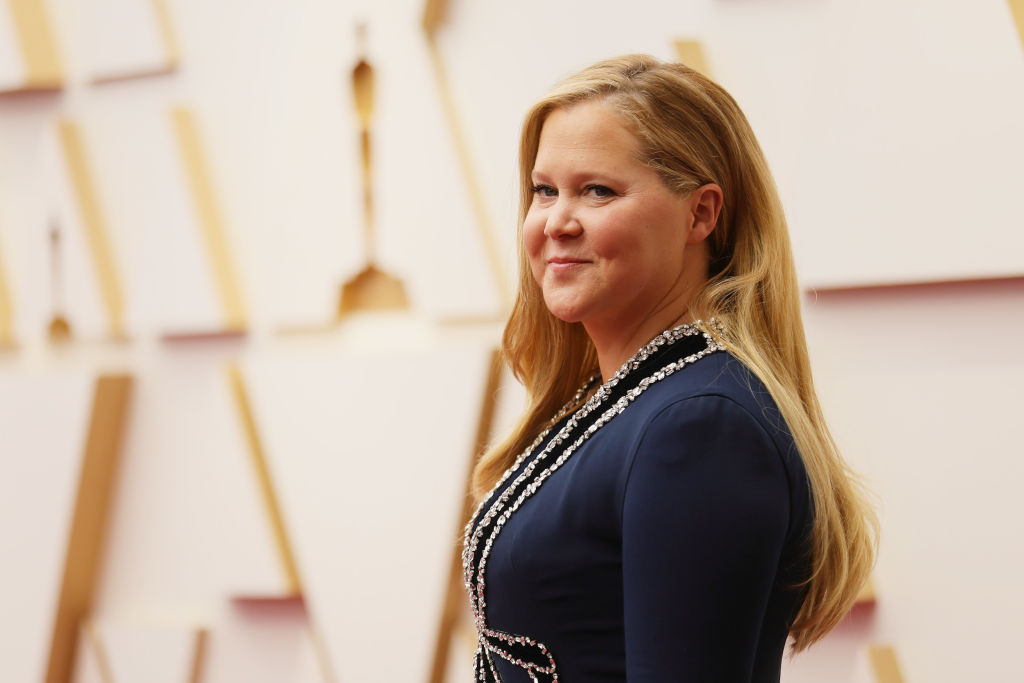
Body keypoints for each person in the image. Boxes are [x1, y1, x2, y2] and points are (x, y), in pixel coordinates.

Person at [461, 54, 877, 682]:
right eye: (544, 190)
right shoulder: (631, 401)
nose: (556, 222)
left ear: (701, 214)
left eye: (598, 190)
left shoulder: (699, 427)